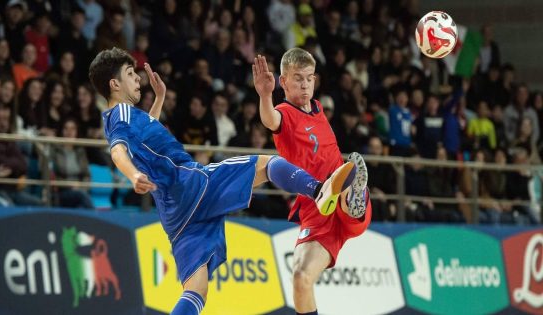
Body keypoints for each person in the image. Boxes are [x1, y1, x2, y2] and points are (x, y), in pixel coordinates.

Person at [89, 47, 355, 315]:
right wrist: (132, 174)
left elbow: (141, 139)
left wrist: (159, 100)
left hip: (174, 212)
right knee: (266, 164)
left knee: (196, 290)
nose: (137, 79)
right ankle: (318, 190)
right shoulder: (121, 113)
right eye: (130, 74)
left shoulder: (123, 118)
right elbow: (118, 150)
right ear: (114, 84)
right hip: (190, 184)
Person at [253, 49, 371, 315]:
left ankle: (354, 199)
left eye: (309, 78)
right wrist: (264, 96)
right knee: (301, 278)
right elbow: (270, 119)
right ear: (283, 82)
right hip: (316, 210)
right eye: (297, 79)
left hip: (342, 193)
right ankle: (350, 197)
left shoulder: (317, 108)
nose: (305, 84)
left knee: (345, 176)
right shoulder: (284, 112)